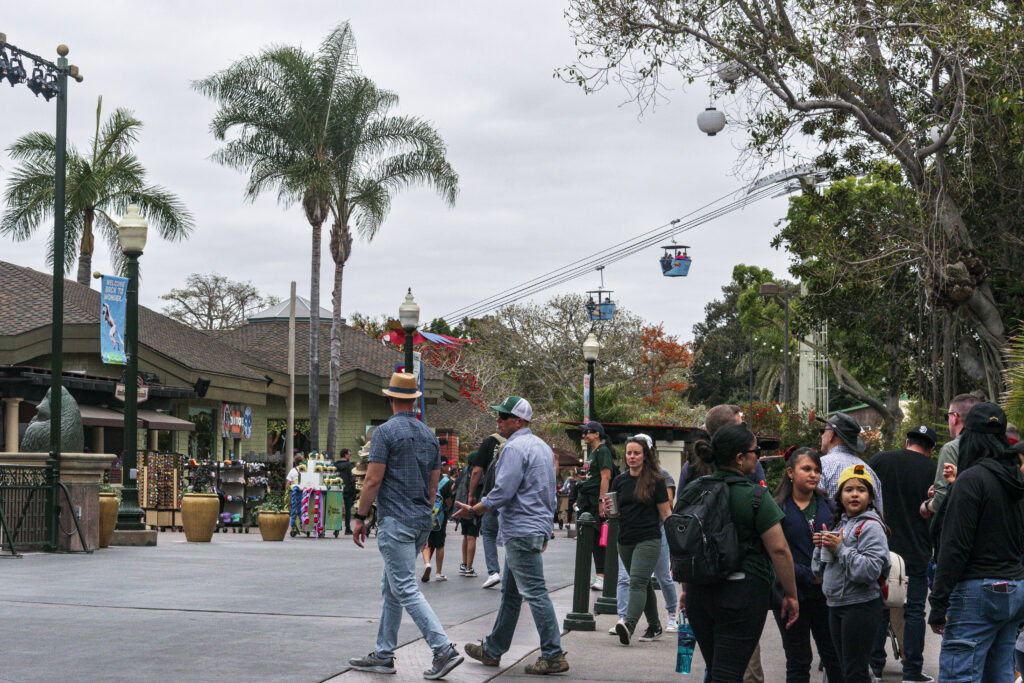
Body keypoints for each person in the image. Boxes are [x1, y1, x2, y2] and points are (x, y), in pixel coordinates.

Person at [348, 372, 463, 680]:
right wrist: (424, 510)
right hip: (421, 520)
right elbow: (434, 482)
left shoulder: (384, 433)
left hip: (396, 520)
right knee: (392, 587)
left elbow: (372, 479)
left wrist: (360, 517)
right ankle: (384, 653)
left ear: (390, 398)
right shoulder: (428, 435)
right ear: (415, 400)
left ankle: (442, 649)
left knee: (404, 587)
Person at [457, 396, 569, 675]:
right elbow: (548, 494)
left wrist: (475, 509)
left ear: (519, 421)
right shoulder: (543, 448)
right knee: (510, 593)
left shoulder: (514, 448)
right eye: (499, 415)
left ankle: (553, 654)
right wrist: (546, 529)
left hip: (520, 529)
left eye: (504, 416)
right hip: (533, 528)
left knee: (534, 592)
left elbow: (503, 491)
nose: (499, 420)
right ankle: (493, 650)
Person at [680, 423, 800, 682]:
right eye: (755, 451)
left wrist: (686, 590)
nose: (758, 456)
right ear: (740, 458)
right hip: (742, 595)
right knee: (728, 673)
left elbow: (685, 543)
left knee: (717, 669)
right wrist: (790, 594)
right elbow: (779, 549)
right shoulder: (756, 497)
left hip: (700, 595)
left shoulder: (694, 490)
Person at [928, 402, 1024, 683]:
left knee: (960, 676)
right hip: (1014, 590)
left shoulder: (971, 480)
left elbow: (955, 546)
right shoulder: (1015, 482)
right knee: (1000, 675)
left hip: (977, 591)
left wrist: (939, 602)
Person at [677, 404, 768, 683]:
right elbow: (775, 539)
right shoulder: (750, 466)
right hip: (740, 580)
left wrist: (684, 583)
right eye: (741, 424)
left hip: (701, 578)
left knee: (716, 662)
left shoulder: (690, 468)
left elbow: (682, 527)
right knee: (740, 667)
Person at [869, 425, 938, 683]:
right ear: (931, 449)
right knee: (915, 612)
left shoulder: (880, 460)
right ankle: (912, 671)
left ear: (907, 440)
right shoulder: (934, 471)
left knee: (878, 609)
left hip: (880, 549)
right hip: (916, 552)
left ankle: (874, 667)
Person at [812, 463, 890, 683]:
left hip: (861, 606)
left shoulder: (871, 527)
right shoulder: (838, 524)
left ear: (870, 497)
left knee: (855, 673)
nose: (855, 494)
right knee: (845, 670)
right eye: (849, 489)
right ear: (839, 495)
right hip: (835, 604)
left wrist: (840, 549)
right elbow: (817, 572)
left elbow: (870, 571)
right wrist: (819, 548)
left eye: (861, 490)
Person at [772, 447, 844, 683]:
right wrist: (808, 575)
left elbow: (845, 541)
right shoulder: (776, 508)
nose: (813, 474)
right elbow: (774, 554)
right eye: (807, 469)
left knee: (834, 656)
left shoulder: (829, 505)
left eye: (817, 470)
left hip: (826, 594)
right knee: (798, 660)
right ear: (791, 472)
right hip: (791, 592)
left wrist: (834, 545)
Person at [605, 434, 672, 645]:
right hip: (624, 539)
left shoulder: (656, 481)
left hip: (649, 539)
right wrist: (609, 511)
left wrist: (676, 543)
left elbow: (665, 514)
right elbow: (614, 512)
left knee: (636, 582)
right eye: (629, 453)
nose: (631, 457)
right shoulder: (619, 480)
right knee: (643, 584)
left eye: (636, 453)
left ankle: (629, 625)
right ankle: (655, 625)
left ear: (645, 456)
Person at [678, 404, 767, 490]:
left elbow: (681, 502)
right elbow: (764, 500)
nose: (744, 431)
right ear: (728, 432)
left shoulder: (690, 466)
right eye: (740, 426)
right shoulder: (748, 463)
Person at [922, 392, 981, 519]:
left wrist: (926, 506)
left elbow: (941, 499)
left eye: (946, 416)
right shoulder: (993, 447)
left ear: (954, 417)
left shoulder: (951, 449)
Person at [818, 412, 884, 513]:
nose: (822, 435)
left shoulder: (819, 466)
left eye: (823, 431)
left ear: (831, 435)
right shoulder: (869, 472)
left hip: (830, 528)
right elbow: (879, 515)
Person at [577, 420, 616, 591]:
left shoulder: (603, 450)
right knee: (587, 537)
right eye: (583, 432)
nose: (584, 435)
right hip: (586, 497)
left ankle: (602, 574)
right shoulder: (591, 453)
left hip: (595, 497)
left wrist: (602, 502)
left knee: (598, 537)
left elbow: (605, 477)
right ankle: (595, 573)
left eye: (587, 432)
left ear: (597, 434)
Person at [473, 433, 506, 588]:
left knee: (488, 534)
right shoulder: (525, 443)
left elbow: (476, 471)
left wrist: (471, 495)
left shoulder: (489, 441)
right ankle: (513, 574)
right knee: (513, 536)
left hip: (491, 496)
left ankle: (493, 572)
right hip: (511, 500)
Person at [422, 463, 454, 582]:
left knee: (426, 542)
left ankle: (427, 564)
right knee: (440, 544)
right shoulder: (446, 482)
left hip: (425, 515)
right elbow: (448, 501)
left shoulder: (424, 478)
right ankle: (438, 572)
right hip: (439, 518)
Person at [459, 449, 482, 578]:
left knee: (465, 535)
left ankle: (464, 563)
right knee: (472, 536)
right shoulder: (477, 473)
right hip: (473, 507)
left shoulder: (464, 472)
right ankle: (469, 567)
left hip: (462, 506)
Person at [336, 448, 357, 535]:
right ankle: (347, 528)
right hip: (348, 490)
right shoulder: (350, 466)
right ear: (345, 455)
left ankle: (336, 526)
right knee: (348, 510)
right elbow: (352, 479)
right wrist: (355, 490)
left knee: (336, 508)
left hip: (337, 489)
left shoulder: (335, 465)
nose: (350, 456)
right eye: (349, 454)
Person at [286, 453, 305, 533]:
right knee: (302, 509)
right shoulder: (305, 470)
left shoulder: (292, 471)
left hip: (294, 493)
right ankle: (302, 524)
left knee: (293, 509)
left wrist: (286, 492)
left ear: (295, 462)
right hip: (303, 493)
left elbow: (288, 483)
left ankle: (293, 526)